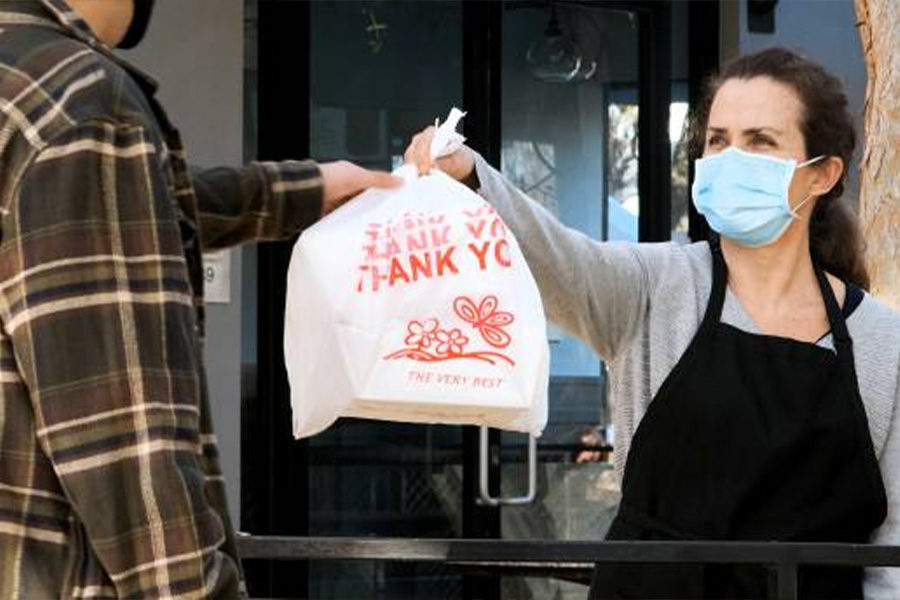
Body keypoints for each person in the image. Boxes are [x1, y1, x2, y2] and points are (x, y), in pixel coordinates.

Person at [406, 47, 900, 599]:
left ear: (823, 174)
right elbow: (555, 258)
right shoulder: (654, 286)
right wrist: (472, 176)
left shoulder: (884, 342)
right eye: (718, 140)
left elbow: (891, 555)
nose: (731, 157)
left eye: (760, 141)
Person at [0, 1, 397, 597]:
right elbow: (125, 446)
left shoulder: (21, 91)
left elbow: (119, 212)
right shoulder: (81, 106)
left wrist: (302, 192)